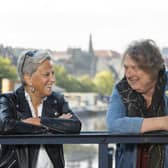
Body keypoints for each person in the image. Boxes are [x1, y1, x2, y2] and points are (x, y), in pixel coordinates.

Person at [0, 50, 81, 168]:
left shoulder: (57, 100)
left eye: (53, 74)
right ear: (28, 78)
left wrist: (40, 121)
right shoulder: (8, 100)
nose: (53, 79)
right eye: (46, 74)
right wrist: (55, 124)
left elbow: (75, 125)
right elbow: (4, 125)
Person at [106, 39, 168, 168]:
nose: (128, 74)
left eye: (134, 67)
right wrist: (162, 123)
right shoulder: (121, 90)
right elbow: (113, 124)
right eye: (126, 68)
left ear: (152, 69)